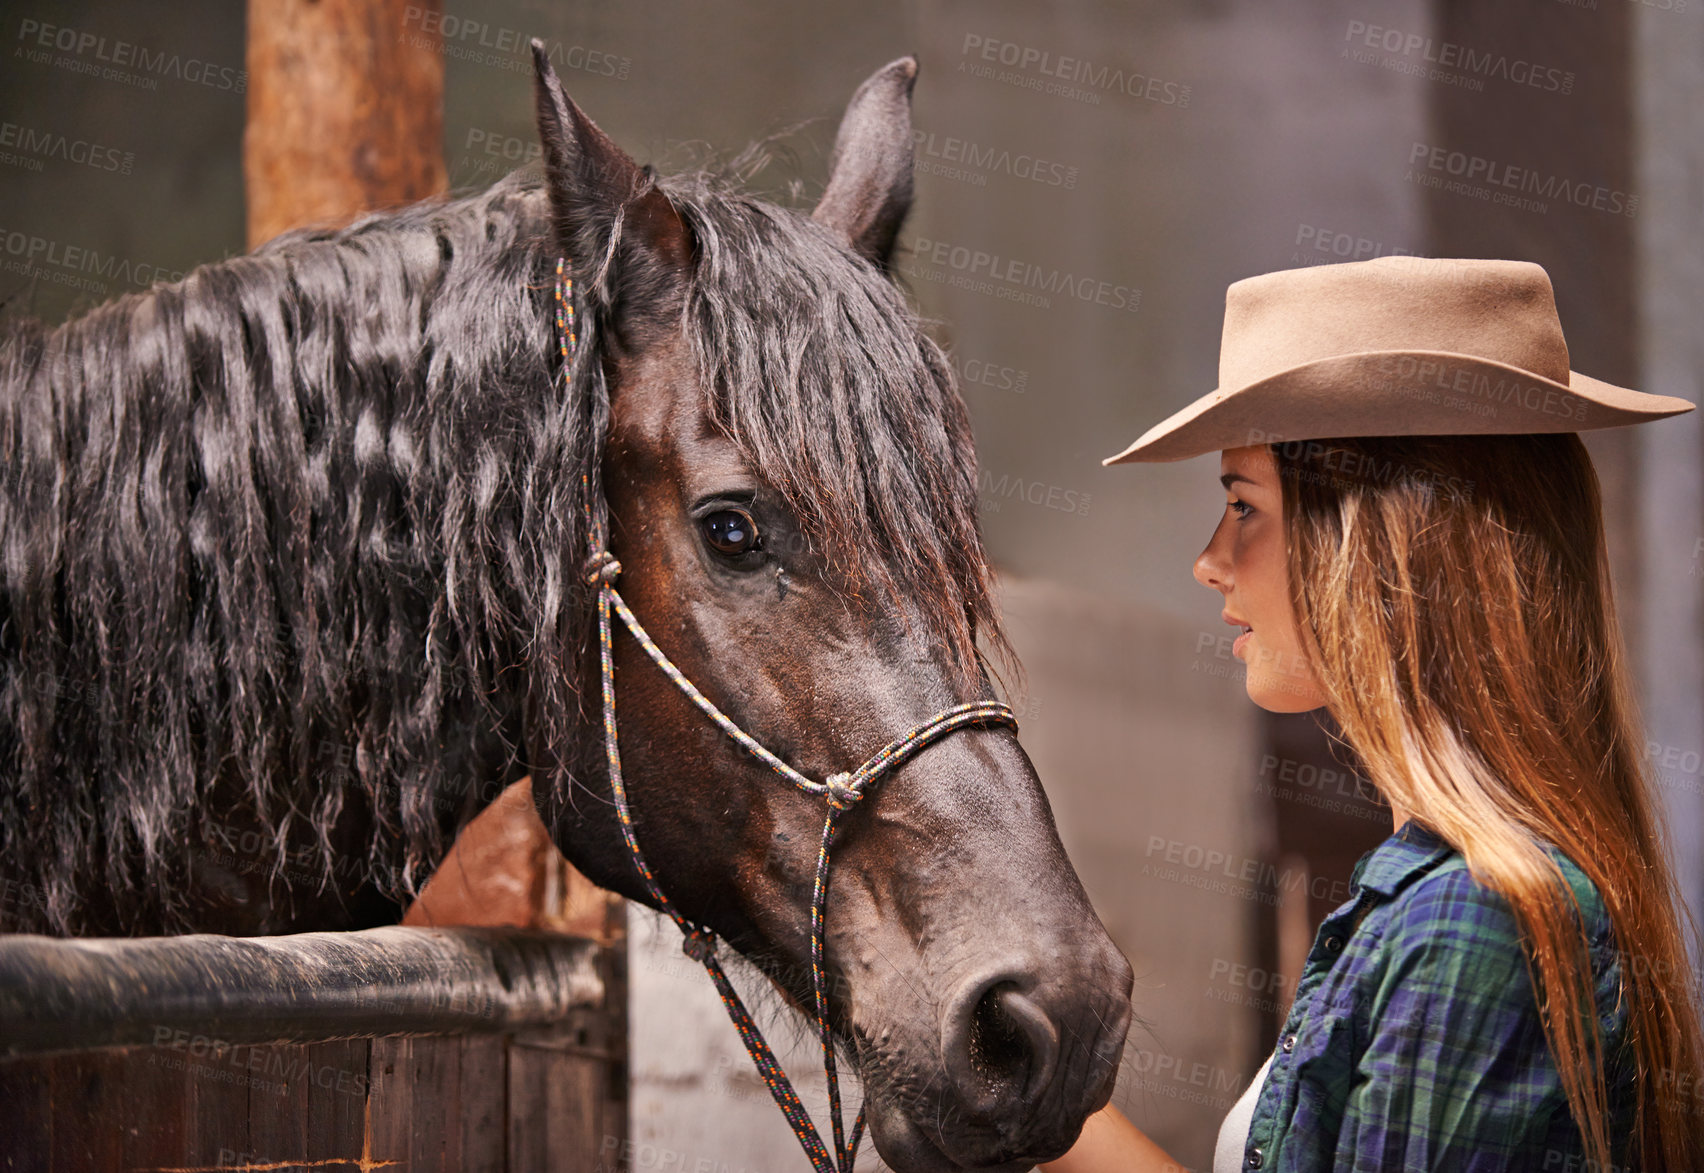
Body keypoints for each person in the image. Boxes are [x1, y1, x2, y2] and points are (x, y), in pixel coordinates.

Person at [1043, 256, 1704, 1171]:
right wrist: (1042, 1101)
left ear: (1384, 543)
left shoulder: (1473, 921)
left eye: (1244, 506)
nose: (1210, 559)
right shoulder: (1443, 895)